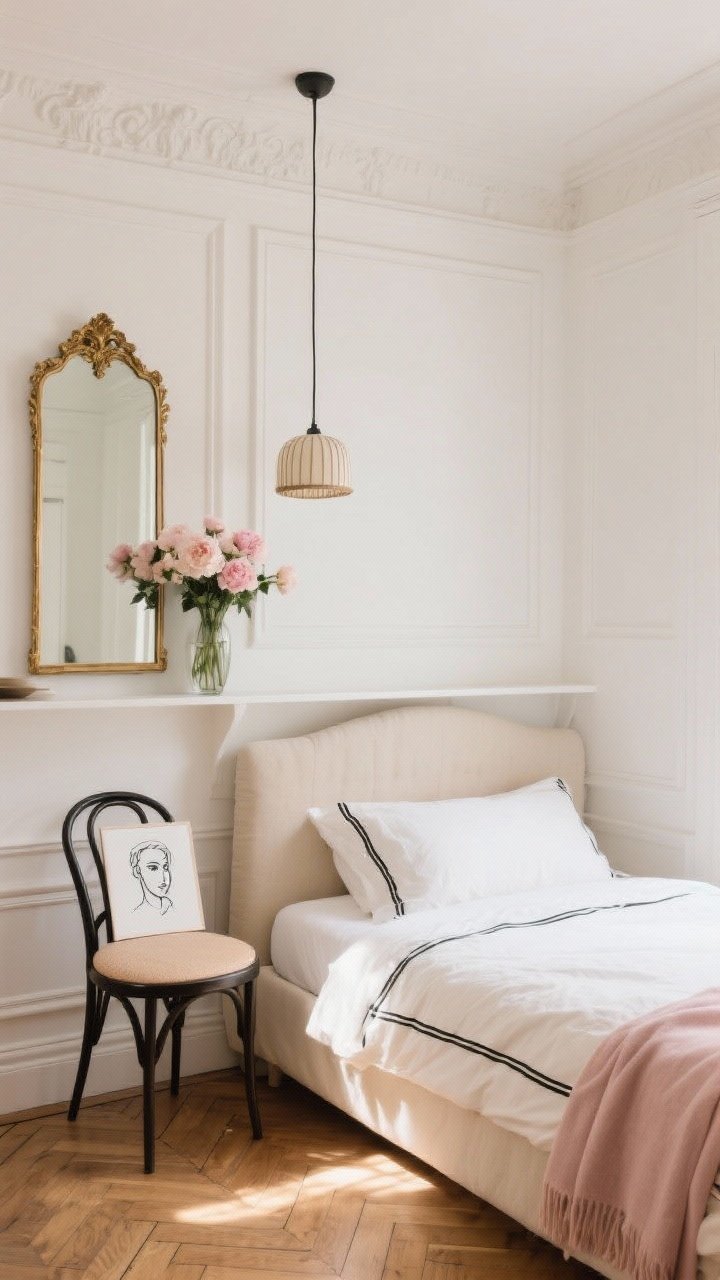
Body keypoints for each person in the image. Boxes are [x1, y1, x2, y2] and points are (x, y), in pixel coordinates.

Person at [130, 840, 173, 915]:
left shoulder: (173, 908)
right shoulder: (137, 915)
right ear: (137, 871)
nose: (163, 877)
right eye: (153, 868)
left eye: (165, 867)